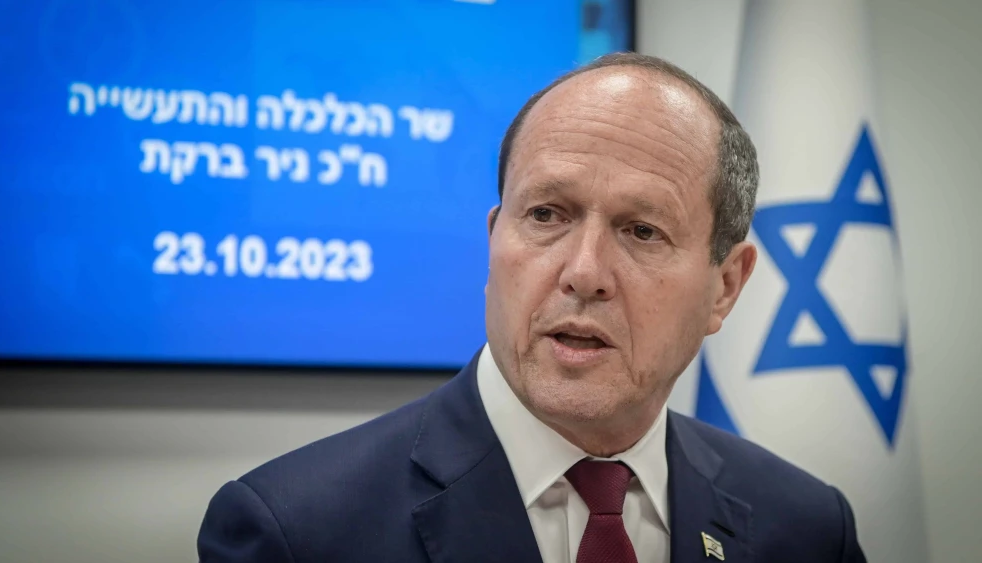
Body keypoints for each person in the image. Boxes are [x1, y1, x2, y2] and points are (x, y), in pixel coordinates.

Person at [197, 53, 866, 563]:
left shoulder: (807, 527)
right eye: (547, 214)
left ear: (724, 286)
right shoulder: (294, 531)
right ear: (495, 241)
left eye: (641, 231)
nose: (583, 273)